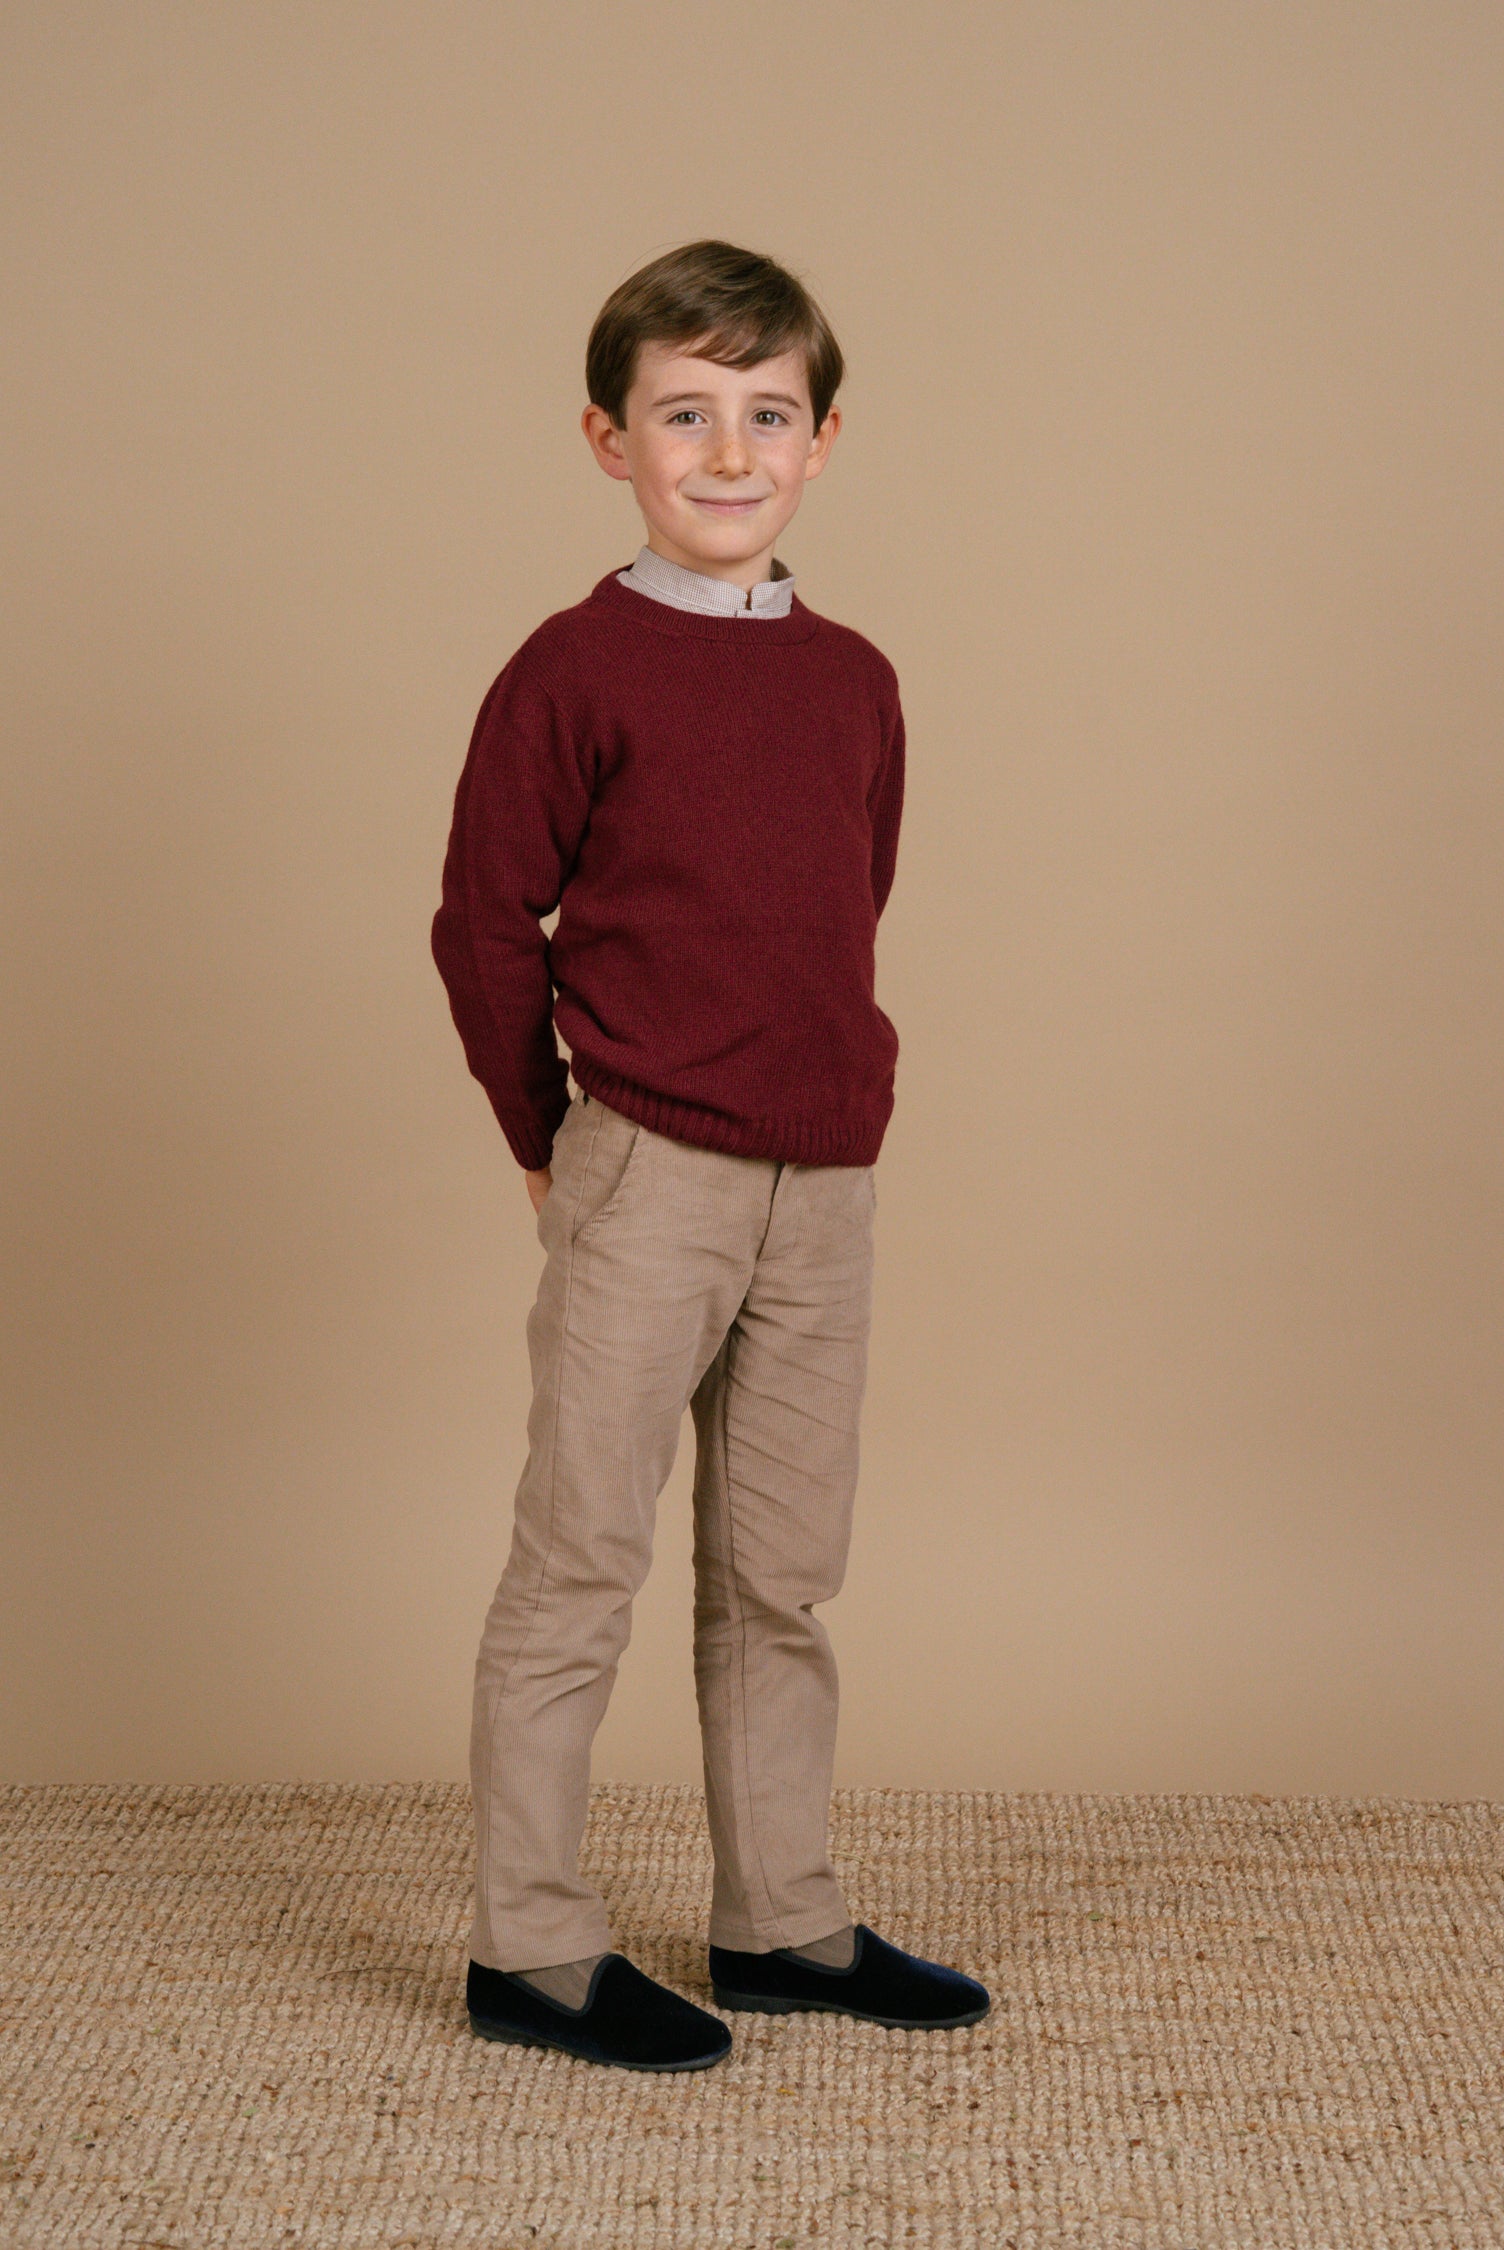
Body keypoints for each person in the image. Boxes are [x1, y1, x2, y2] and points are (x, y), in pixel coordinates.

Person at [429, 239, 990, 2072]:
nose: (729, 451)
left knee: (781, 1573)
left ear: (826, 438)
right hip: (647, 1167)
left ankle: (784, 1920)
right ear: (612, 440)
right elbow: (482, 920)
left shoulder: (857, 680)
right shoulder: (573, 667)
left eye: (768, 415)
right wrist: (546, 1134)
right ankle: (528, 1945)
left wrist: (815, 1092)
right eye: (687, 414)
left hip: (825, 1179)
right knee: (580, 1559)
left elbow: (849, 895)